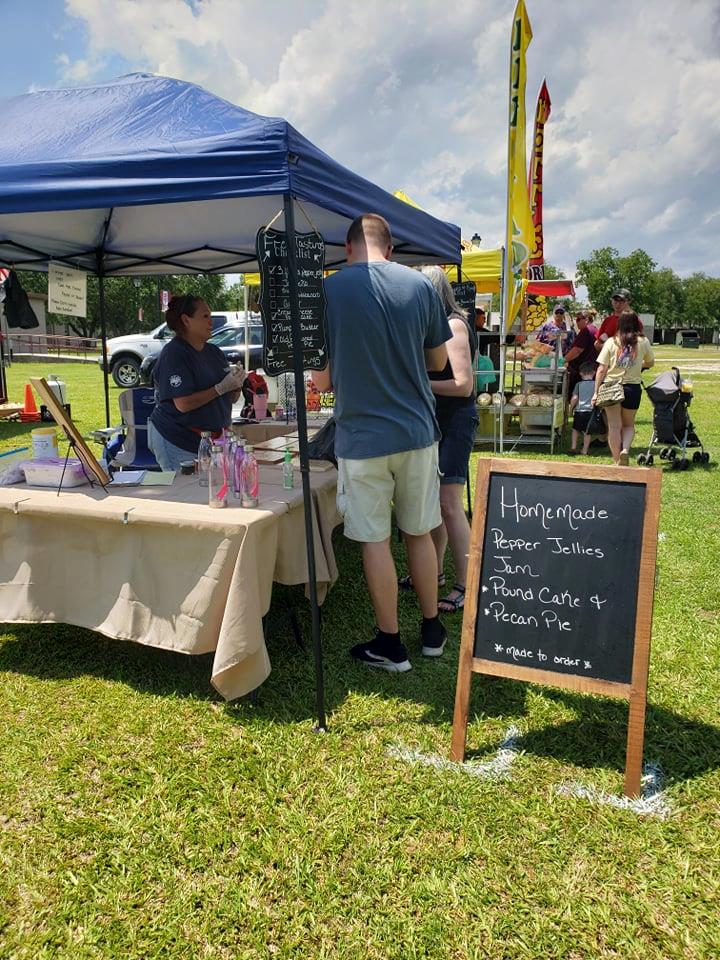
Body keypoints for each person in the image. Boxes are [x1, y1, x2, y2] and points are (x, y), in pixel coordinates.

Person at [313, 213, 451, 672]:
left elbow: (322, 378)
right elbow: (437, 363)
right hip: (416, 431)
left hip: (361, 437)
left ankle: (391, 644)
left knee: (375, 539)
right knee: (419, 530)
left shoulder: (328, 291)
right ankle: (432, 629)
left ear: (348, 247)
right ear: (389, 249)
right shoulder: (422, 287)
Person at [419, 266, 478, 614]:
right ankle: (437, 572)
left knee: (451, 506)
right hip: (437, 423)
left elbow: (463, 385)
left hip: (454, 422)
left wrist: (417, 384)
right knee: (436, 505)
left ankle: (467, 585)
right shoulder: (437, 327)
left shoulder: (454, 326)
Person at [148, 295, 245, 471]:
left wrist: (236, 383)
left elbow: (230, 398)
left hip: (212, 441)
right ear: (186, 320)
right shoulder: (175, 354)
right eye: (205, 316)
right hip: (178, 439)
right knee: (186, 493)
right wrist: (220, 388)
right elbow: (183, 404)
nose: (211, 322)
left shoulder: (214, 352)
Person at [593, 312, 654, 466]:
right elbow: (651, 362)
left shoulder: (611, 342)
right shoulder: (643, 341)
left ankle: (616, 460)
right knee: (628, 425)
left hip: (611, 387)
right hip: (632, 388)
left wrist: (596, 392)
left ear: (619, 324)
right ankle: (625, 450)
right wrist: (639, 364)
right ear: (637, 324)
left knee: (614, 426)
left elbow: (601, 369)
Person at [564, 311, 598, 395]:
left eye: (579, 319)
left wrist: (563, 360)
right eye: (576, 319)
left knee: (577, 396)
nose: (577, 322)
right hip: (591, 369)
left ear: (586, 319)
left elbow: (577, 350)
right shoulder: (595, 329)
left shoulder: (586, 331)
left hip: (582, 371)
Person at [568, 362, 598, 456]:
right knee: (587, 432)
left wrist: (570, 409)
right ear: (594, 373)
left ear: (580, 373)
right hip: (590, 411)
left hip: (579, 411)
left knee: (575, 429)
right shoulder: (596, 385)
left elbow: (575, 398)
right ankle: (584, 450)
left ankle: (573, 447)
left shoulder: (579, 384)